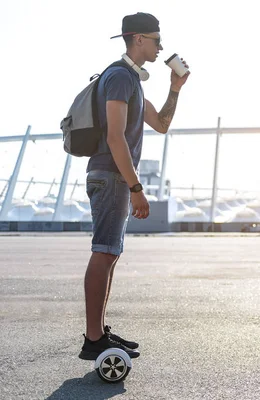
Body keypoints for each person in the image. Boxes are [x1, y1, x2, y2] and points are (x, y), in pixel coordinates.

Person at [78, 12, 190, 360]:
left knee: (110, 252)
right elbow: (114, 137)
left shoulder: (133, 83)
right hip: (111, 175)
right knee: (104, 251)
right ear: (138, 39)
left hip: (114, 176)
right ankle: (93, 338)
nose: (161, 48)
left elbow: (161, 124)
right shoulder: (120, 77)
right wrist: (135, 187)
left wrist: (175, 87)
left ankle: (98, 333)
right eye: (157, 41)